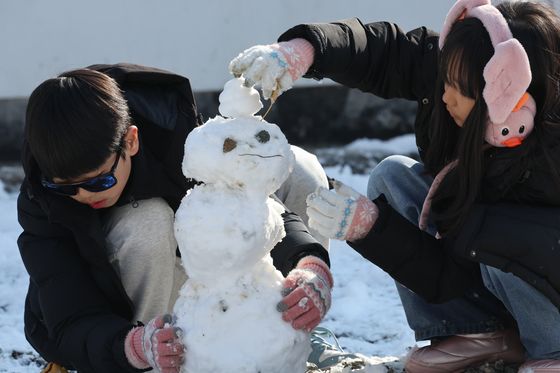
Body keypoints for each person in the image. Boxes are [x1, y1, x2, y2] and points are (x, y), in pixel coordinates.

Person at [229, 0, 560, 372]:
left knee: (509, 233)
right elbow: (383, 51)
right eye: (444, 80)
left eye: (457, 89)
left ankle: (551, 350)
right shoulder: (460, 73)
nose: (444, 95)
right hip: (486, 260)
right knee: (393, 178)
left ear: (513, 105)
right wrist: (306, 50)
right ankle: (474, 332)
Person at [17, 63, 333, 373]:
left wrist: (309, 263)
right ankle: (153, 360)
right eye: (67, 188)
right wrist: (134, 346)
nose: (83, 195)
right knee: (148, 220)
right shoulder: (41, 195)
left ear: (131, 141)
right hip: (111, 329)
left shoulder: (176, 138)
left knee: (300, 170)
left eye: (99, 181)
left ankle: (292, 322)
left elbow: (254, 205)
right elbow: (69, 311)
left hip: (189, 283)